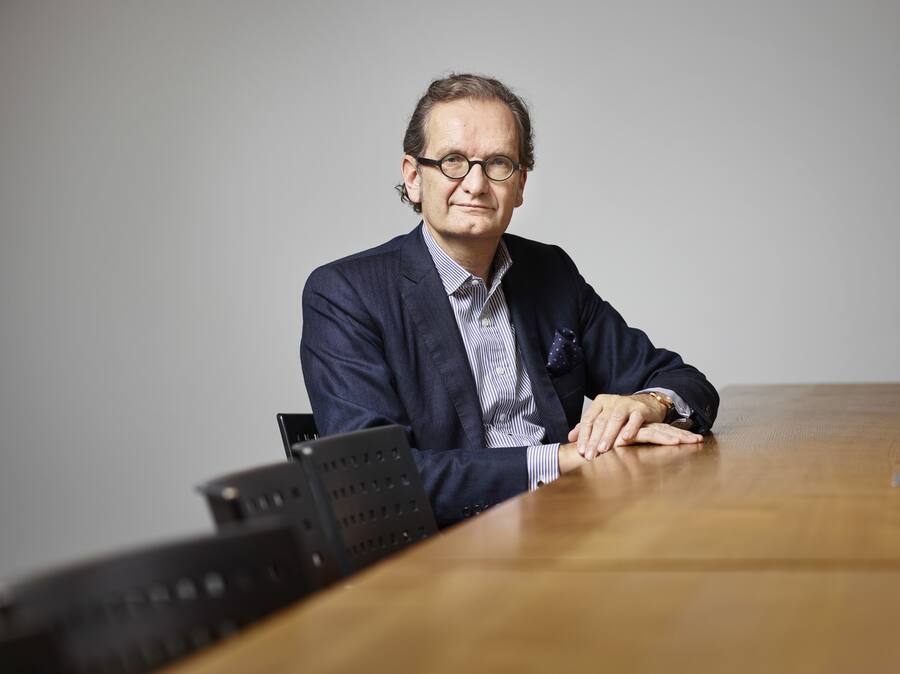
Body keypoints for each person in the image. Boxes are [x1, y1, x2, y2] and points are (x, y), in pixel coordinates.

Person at [301, 74, 719, 528]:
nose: (476, 184)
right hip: (435, 559)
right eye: (453, 161)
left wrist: (647, 403)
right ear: (413, 177)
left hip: (565, 530)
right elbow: (376, 478)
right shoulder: (344, 294)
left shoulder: (550, 273)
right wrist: (562, 460)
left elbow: (686, 382)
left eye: (499, 163)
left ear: (519, 185)